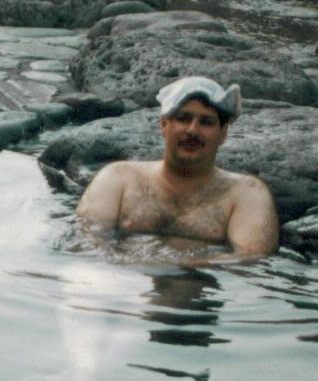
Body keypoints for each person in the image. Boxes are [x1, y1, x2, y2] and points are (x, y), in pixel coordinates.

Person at [76, 76, 279, 259]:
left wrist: (167, 267)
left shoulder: (247, 194)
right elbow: (85, 241)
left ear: (223, 133)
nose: (192, 130)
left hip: (204, 290)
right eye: (183, 119)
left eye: (206, 122)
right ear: (164, 125)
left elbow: (250, 257)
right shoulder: (117, 178)